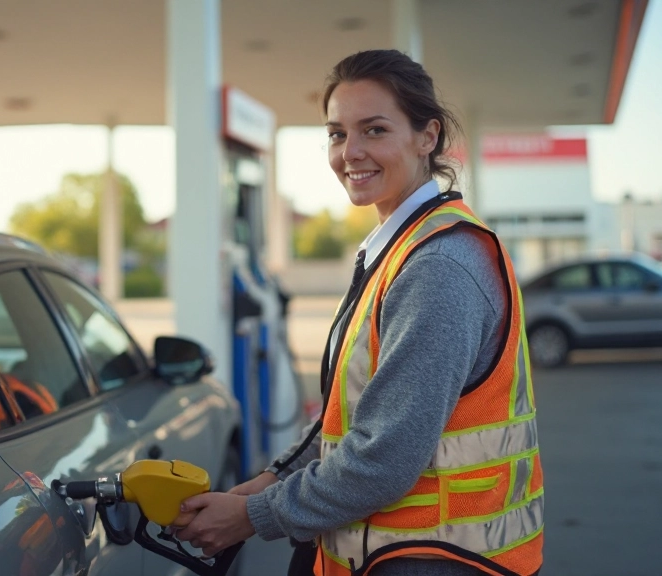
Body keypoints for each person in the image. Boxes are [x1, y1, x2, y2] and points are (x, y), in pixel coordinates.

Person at [171, 50, 544, 576]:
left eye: (374, 130)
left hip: (432, 562)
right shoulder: (399, 249)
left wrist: (254, 515)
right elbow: (348, 419)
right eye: (337, 134)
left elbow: (384, 458)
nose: (350, 152)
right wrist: (268, 482)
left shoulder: (437, 265)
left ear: (427, 136)